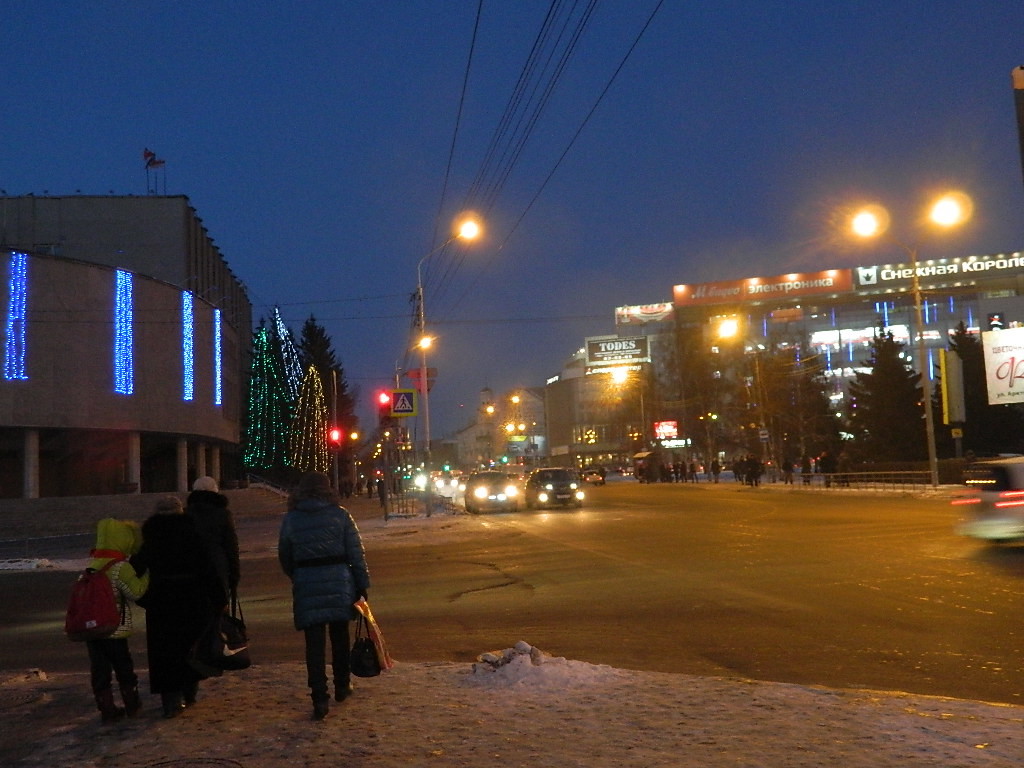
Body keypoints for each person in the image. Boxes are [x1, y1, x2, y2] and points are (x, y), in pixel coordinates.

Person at [279, 471, 371, 720]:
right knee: (340, 636)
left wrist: (298, 575)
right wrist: (361, 584)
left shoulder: (292, 519)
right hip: (340, 582)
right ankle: (342, 684)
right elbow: (356, 554)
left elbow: (285, 555)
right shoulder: (340, 515)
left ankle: (319, 697)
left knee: (314, 644)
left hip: (306, 581)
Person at [133, 496, 227, 718]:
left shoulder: (150, 538)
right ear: (180, 511)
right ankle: (190, 690)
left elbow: (134, 569)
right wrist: (219, 599)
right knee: (190, 646)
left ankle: (170, 699)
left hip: (161, 599)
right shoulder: (193, 534)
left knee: (164, 651)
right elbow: (208, 569)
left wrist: (144, 598)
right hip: (191, 597)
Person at [83, 518, 149, 723]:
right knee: (123, 667)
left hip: (92, 629)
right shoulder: (120, 567)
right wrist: (147, 575)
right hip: (115, 628)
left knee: (99, 669)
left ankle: (107, 709)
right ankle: (132, 704)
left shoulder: (92, 564)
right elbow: (135, 592)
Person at [185, 476, 240, 597]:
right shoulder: (223, 514)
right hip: (218, 569)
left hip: (192, 569)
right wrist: (234, 575)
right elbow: (231, 546)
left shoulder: (186, 514)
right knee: (218, 607)